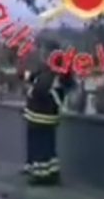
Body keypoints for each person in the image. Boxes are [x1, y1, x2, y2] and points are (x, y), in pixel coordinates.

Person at [22, 46, 76, 185]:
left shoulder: (51, 74)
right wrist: (28, 76)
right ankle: (49, 172)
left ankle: (41, 176)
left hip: (40, 116)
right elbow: (34, 78)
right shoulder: (55, 73)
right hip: (43, 116)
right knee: (47, 145)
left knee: (40, 145)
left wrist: (31, 84)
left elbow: (40, 88)